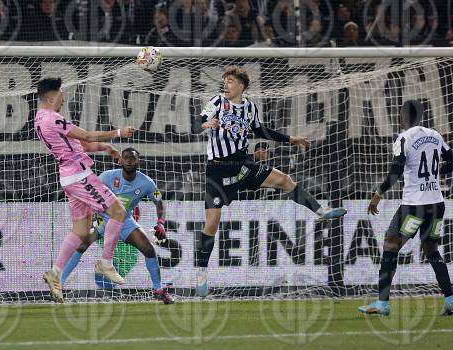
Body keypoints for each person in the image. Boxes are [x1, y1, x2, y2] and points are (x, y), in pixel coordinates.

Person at [195, 66, 347, 297]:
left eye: (230, 81)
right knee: (212, 223)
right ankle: (202, 275)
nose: (225, 85)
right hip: (218, 170)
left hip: (245, 166)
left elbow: (261, 130)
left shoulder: (249, 107)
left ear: (242, 86)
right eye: (224, 81)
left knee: (284, 180)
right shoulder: (216, 101)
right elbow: (199, 122)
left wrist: (290, 139)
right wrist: (206, 125)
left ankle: (321, 211)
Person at [35, 77, 134, 303]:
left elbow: (82, 144)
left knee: (80, 231)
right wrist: (118, 132)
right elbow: (87, 135)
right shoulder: (53, 118)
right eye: (60, 95)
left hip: (68, 178)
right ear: (51, 98)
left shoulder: (39, 119)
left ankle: (55, 273)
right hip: (80, 177)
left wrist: (105, 147)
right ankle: (106, 263)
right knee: (118, 212)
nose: (63, 99)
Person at [359, 100, 453, 316]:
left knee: (390, 246)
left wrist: (378, 193)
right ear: (421, 115)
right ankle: (450, 300)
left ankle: (382, 304)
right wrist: (437, 171)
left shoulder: (404, 138)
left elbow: (396, 169)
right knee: (432, 251)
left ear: (403, 115)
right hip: (436, 204)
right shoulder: (435, 135)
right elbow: (452, 159)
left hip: (414, 205)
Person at [60, 148, 174, 304]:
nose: (128, 161)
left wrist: (160, 223)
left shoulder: (146, 183)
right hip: (103, 218)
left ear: (138, 161)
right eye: (125, 158)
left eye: (132, 158)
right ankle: (59, 284)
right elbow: (88, 193)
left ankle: (158, 289)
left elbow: (159, 202)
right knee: (82, 244)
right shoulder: (107, 176)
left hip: (125, 222)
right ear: (120, 160)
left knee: (149, 249)